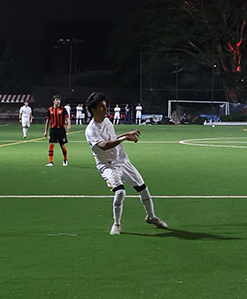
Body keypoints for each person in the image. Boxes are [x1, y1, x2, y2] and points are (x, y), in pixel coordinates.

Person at [84, 95, 169, 235]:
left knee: (143, 189)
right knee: (120, 192)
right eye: (102, 106)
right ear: (93, 109)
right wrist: (124, 138)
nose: (105, 108)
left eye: (105, 105)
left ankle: (151, 217)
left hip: (122, 161)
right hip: (108, 166)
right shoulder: (91, 130)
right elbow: (104, 146)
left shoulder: (107, 121)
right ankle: (116, 224)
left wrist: (125, 134)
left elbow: (112, 140)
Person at [45, 94, 69, 166]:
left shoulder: (63, 109)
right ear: (54, 101)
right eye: (56, 100)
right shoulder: (50, 110)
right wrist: (45, 131)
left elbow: (67, 118)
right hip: (53, 129)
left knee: (62, 145)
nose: (58, 101)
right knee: (51, 144)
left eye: (59, 100)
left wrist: (69, 125)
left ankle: (65, 160)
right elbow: (47, 120)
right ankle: (51, 162)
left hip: (61, 129)